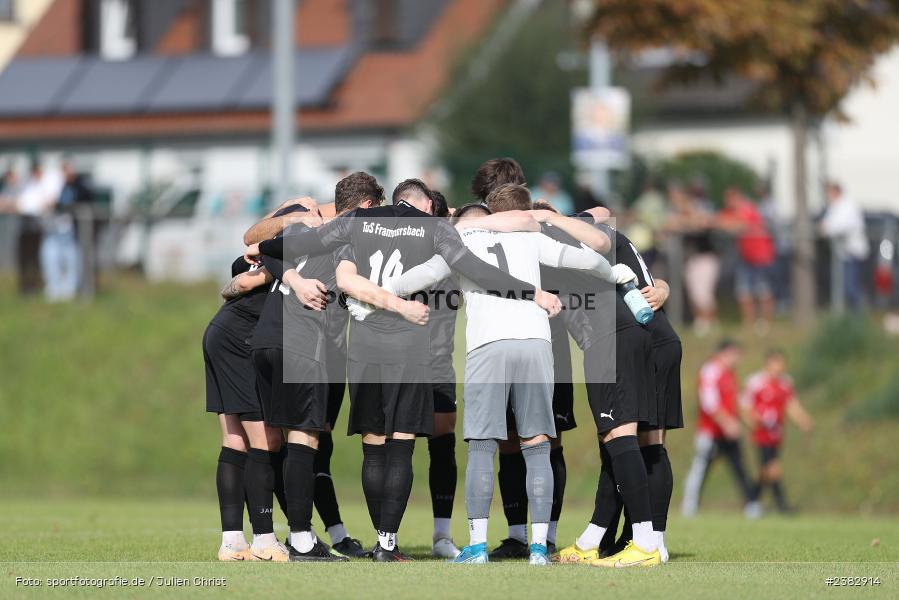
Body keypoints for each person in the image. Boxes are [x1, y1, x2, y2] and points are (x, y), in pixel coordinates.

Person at [247, 175, 560, 562]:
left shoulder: (356, 223)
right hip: (409, 341)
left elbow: (308, 242)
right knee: (402, 444)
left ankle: (369, 539)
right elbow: (473, 267)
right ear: (427, 205)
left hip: (362, 343)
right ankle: (387, 544)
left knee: (373, 446)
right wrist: (532, 292)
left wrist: (263, 247)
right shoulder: (433, 227)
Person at [378, 185, 622, 565]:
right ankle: (540, 548)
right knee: (537, 443)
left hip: (488, 346)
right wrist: (617, 275)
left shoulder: (463, 242)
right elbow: (589, 261)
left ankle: (477, 547)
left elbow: (419, 277)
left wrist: (378, 292)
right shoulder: (530, 238)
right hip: (536, 343)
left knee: (481, 445)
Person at [559, 206, 683, 564]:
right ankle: (609, 538)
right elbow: (602, 212)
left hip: (646, 338)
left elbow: (600, 218)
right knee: (627, 444)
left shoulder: (588, 238)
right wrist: (663, 286)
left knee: (642, 443)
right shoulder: (601, 237)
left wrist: (548, 219)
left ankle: (649, 542)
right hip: (656, 336)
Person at [202, 200, 320, 562]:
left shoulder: (264, 252)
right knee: (264, 441)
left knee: (235, 441)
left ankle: (233, 541)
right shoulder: (280, 256)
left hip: (223, 334)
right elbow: (247, 277)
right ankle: (265, 539)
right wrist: (296, 216)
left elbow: (238, 277)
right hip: (239, 340)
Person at [681, 339, 757, 518]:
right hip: (710, 431)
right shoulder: (711, 371)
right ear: (726, 352)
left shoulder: (730, 373)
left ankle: (752, 504)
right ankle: (689, 505)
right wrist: (727, 422)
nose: (737, 359)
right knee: (700, 467)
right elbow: (709, 403)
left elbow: (735, 402)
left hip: (728, 432)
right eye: (735, 355)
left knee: (739, 466)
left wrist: (746, 420)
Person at [742, 349, 814, 514]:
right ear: (768, 363)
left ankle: (752, 501)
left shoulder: (785, 383)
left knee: (764, 471)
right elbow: (744, 405)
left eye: (782, 363)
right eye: (777, 363)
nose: (780, 367)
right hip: (761, 433)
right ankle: (783, 506)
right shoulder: (756, 382)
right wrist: (751, 421)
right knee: (773, 468)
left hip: (777, 433)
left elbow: (791, 404)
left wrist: (804, 421)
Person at [663, 182, 719, 336]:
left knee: (704, 293)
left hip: (706, 256)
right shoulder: (676, 214)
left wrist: (687, 217)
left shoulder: (700, 208)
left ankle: (710, 320)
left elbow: (705, 222)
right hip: (691, 259)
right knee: (694, 292)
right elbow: (667, 227)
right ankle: (700, 321)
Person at [718, 187, 776, 333]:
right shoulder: (733, 211)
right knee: (744, 291)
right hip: (745, 256)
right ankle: (748, 323)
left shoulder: (747, 208)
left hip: (759, 256)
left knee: (762, 289)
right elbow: (719, 220)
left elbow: (739, 225)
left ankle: (765, 322)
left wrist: (726, 224)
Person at [820, 181, 869, 311]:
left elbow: (842, 226)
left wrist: (828, 229)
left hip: (852, 252)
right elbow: (826, 224)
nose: (827, 196)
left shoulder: (848, 205)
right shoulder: (834, 207)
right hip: (843, 253)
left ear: (836, 192)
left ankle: (858, 316)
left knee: (851, 286)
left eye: (829, 193)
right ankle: (849, 315)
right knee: (843, 286)